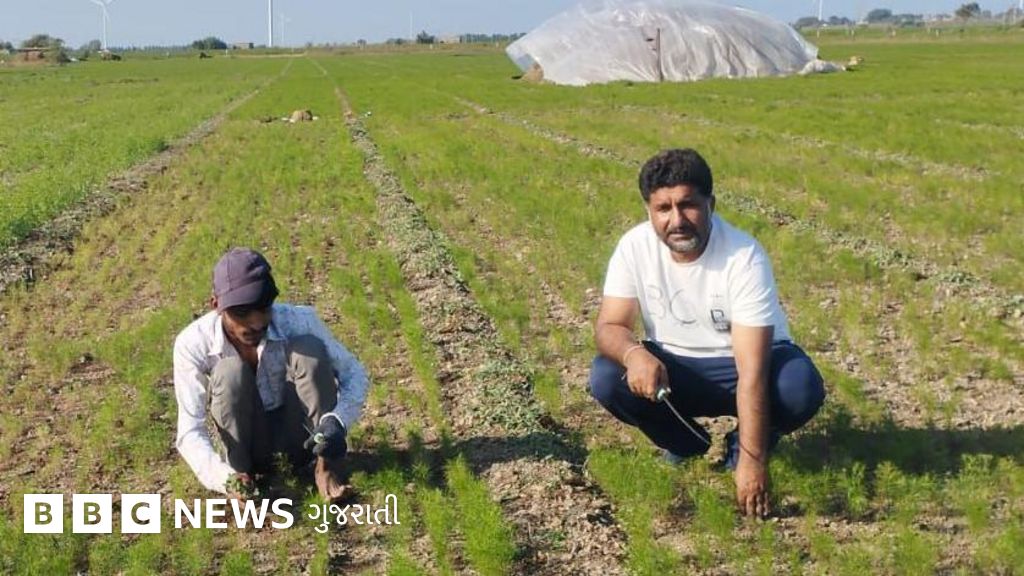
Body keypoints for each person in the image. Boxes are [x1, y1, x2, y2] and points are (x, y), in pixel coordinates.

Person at [590, 149, 825, 518]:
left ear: (710, 205)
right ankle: (686, 444)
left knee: (799, 387)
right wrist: (634, 354)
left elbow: (752, 371)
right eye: (663, 208)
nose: (677, 220)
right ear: (649, 211)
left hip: (740, 366)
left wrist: (752, 460)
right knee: (607, 376)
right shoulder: (634, 247)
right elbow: (609, 327)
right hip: (676, 368)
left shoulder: (743, 256)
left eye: (688, 205)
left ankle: (743, 445)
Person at [173, 247, 369, 502]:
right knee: (230, 372)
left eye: (264, 308)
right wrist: (224, 478)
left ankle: (325, 468)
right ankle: (242, 482)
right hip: (248, 446)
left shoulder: (299, 320)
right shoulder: (193, 343)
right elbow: (189, 429)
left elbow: (354, 373)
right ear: (216, 305)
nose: (256, 323)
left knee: (308, 349)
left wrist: (337, 421)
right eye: (242, 313)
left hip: (302, 438)